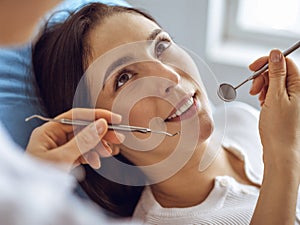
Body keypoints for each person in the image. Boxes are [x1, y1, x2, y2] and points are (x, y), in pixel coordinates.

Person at [26, 2, 300, 225]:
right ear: (97, 129)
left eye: (160, 46)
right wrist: (283, 156)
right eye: (124, 78)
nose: (169, 76)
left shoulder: (244, 118)